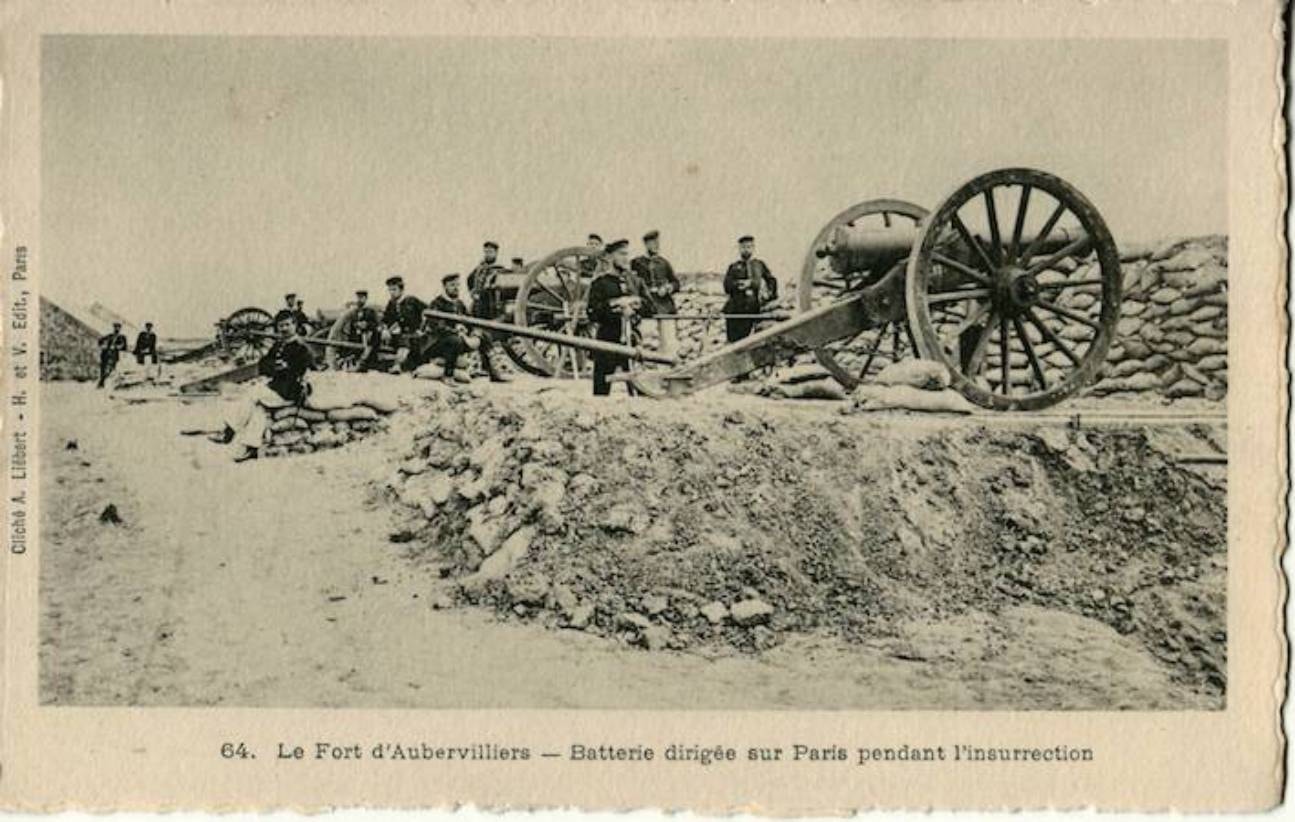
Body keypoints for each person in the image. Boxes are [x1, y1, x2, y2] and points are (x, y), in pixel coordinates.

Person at [213, 310, 314, 463]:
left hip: (290, 391)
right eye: (281, 326)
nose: (284, 329)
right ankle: (251, 448)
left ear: (295, 325)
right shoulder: (278, 344)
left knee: (252, 394)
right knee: (258, 409)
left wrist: (282, 368)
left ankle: (230, 430)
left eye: (287, 325)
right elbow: (263, 366)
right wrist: (277, 367)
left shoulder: (302, 348)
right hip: (276, 389)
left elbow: (298, 371)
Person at [587, 238, 650, 396]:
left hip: (633, 341)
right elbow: (592, 313)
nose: (625, 258)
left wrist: (636, 304)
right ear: (610, 257)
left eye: (627, 254)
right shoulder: (600, 284)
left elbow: (651, 307)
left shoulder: (635, 281)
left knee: (640, 391)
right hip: (607, 341)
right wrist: (614, 305)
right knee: (601, 392)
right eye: (621, 254)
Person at [463, 241, 511, 383]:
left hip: (491, 306)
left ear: (496, 253)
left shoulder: (500, 269)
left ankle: (490, 367)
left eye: (490, 252)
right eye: (486, 251)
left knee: (488, 336)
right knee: (478, 334)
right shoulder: (479, 268)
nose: (487, 254)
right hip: (478, 306)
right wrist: (472, 292)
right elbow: (469, 279)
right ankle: (483, 367)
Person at [631, 229, 681, 357]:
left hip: (665, 307)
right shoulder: (637, 263)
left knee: (669, 343)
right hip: (647, 308)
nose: (656, 246)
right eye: (653, 243)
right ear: (646, 244)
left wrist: (669, 287)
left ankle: (668, 369)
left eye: (657, 243)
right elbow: (631, 282)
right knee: (648, 342)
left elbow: (676, 283)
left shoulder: (664, 263)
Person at [723, 234, 779, 343]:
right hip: (735, 309)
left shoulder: (759, 265)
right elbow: (727, 285)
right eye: (743, 247)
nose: (746, 250)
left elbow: (771, 280)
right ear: (739, 249)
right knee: (734, 341)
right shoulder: (734, 266)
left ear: (753, 248)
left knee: (750, 341)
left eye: (749, 247)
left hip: (752, 308)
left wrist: (769, 294)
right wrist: (739, 285)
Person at [424, 273, 477, 382]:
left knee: (481, 336)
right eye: (452, 285)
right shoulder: (437, 303)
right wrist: (456, 330)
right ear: (445, 287)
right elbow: (437, 327)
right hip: (436, 343)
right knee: (454, 341)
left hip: (457, 339)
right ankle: (448, 375)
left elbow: (469, 321)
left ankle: (491, 371)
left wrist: (467, 330)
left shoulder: (460, 304)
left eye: (458, 285)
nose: (456, 288)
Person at [381, 275, 428, 372]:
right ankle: (397, 365)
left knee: (411, 343)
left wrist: (422, 329)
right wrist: (386, 329)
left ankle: (399, 365)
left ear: (401, 290)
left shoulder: (411, 300)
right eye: (390, 290)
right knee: (403, 341)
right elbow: (385, 319)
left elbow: (427, 312)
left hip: (414, 334)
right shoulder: (391, 304)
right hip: (398, 336)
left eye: (394, 289)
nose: (391, 293)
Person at [346, 289, 382, 372]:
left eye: (361, 298)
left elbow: (376, 324)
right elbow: (352, 323)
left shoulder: (371, 311)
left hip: (368, 334)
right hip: (357, 334)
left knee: (369, 346)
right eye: (358, 298)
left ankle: (362, 363)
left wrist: (366, 324)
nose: (359, 300)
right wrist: (357, 325)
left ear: (366, 298)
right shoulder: (355, 311)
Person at [96, 321, 128, 388]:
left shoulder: (122, 337)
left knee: (111, 369)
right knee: (103, 368)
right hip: (106, 354)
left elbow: (124, 346)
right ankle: (101, 382)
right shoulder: (110, 336)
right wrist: (102, 346)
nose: (117, 329)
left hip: (115, 355)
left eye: (118, 327)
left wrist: (117, 347)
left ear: (120, 329)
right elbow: (100, 340)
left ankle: (104, 381)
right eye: (115, 327)